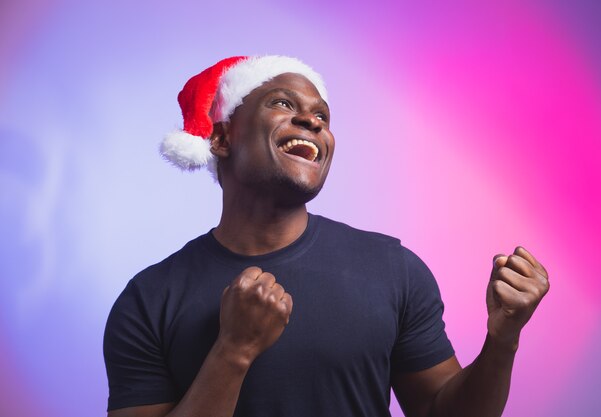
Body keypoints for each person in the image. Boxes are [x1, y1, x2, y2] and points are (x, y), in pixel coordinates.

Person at [103, 55, 550, 417]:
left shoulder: (392, 270)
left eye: (322, 114)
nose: (312, 121)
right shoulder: (150, 298)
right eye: (282, 103)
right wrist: (234, 351)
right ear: (221, 140)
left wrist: (503, 338)